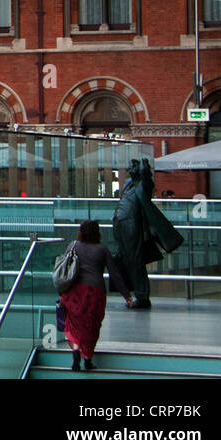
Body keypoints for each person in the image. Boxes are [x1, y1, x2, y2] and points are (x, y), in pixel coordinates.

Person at [61, 219, 133, 371]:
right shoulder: (102, 249)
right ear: (97, 233)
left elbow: (64, 268)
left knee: (73, 324)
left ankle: (75, 350)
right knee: (92, 326)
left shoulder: (73, 246)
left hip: (75, 291)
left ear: (80, 232)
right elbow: (115, 273)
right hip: (95, 292)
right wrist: (126, 295)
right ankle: (87, 359)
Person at [112, 158, 183, 310]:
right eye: (130, 167)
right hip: (122, 224)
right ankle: (136, 294)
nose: (130, 169)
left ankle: (142, 296)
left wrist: (145, 170)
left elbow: (147, 180)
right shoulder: (130, 184)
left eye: (133, 167)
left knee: (136, 260)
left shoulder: (143, 184)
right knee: (127, 259)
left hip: (132, 224)